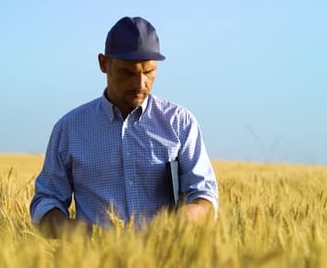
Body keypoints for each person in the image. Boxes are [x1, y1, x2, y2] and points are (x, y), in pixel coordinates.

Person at [30, 16, 219, 237]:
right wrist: (87, 237)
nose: (140, 84)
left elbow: (205, 195)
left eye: (149, 72)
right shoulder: (70, 128)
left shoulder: (180, 122)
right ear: (103, 63)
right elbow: (46, 200)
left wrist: (179, 222)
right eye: (127, 72)